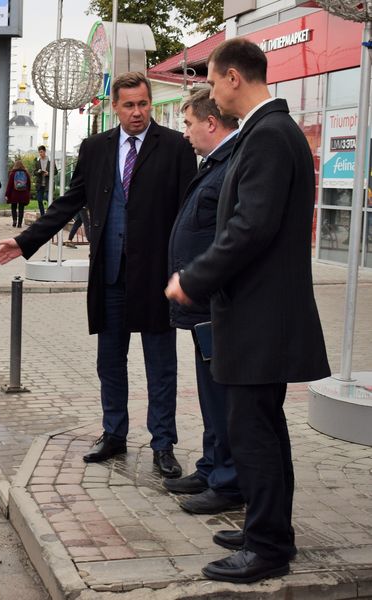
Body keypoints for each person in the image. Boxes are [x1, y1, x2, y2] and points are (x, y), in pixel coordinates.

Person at [166, 38, 330, 584]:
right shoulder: (270, 133)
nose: (211, 94)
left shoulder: (268, 136)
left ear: (234, 77)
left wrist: (194, 278)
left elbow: (250, 227)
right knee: (263, 429)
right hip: (261, 316)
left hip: (261, 318)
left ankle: (267, 548)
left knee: (254, 432)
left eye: (213, 82)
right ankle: (267, 527)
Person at [0, 72, 197, 479]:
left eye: (142, 104)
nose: (137, 113)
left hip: (157, 278)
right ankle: (114, 433)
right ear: (114, 108)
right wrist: (26, 241)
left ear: (149, 103)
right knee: (109, 360)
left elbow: (189, 212)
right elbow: (70, 200)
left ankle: (163, 444)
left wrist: (188, 272)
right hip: (109, 275)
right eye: (128, 105)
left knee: (161, 364)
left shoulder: (174, 146)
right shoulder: (96, 147)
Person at [164, 87, 242, 515]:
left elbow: (230, 239)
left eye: (189, 123)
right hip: (201, 307)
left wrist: (196, 279)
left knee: (221, 395)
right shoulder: (214, 164)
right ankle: (213, 466)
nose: (186, 133)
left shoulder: (231, 165)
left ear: (210, 123)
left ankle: (229, 480)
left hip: (215, 304)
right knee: (209, 394)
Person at [5, 159, 31, 228]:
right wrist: (28, 193)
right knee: (21, 209)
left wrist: (7, 194)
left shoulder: (12, 174)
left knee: (13, 207)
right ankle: (19, 223)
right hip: (23, 193)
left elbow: (9, 185)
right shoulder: (26, 173)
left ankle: (14, 221)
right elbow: (29, 185)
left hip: (14, 194)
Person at [33, 145, 55, 216]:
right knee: (39, 200)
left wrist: (48, 173)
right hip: (40, 184)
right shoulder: (37, 162)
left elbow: (56, 172)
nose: (40, 153)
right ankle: (43, 215)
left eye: (41, 152)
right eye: (39, 152)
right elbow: (34, 172)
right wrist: (38, 172)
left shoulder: (50, 161)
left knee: (48, 199)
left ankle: (49, 214)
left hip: (48, 184)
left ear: (45, 151)